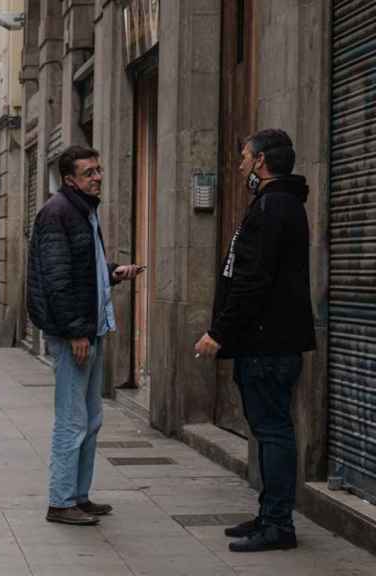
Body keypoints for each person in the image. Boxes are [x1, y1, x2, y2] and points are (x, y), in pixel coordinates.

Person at [195, 129, 315, 553]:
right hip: (269, 342)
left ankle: (278, 524)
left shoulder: (272, 206)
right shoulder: (277, 204)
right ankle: (269, 515)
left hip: (267, 344)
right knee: (267, 430)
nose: (242, 162)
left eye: (246, 156)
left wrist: (219, 332)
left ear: (261, 161)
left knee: (273, 431)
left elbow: (253, 279)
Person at [28, 145, 142, 526]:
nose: (98, 177)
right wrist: (76, 331)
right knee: (72, 420)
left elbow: (82, 270)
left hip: (91, 329)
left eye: (98, 170)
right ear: (70, 179)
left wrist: (112, 272)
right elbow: (57, 280)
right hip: (74, 335)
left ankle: (78, 495)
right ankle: (60, 502)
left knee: (92, 419)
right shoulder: (57, 213)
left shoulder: (83, 211)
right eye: (89, 172)